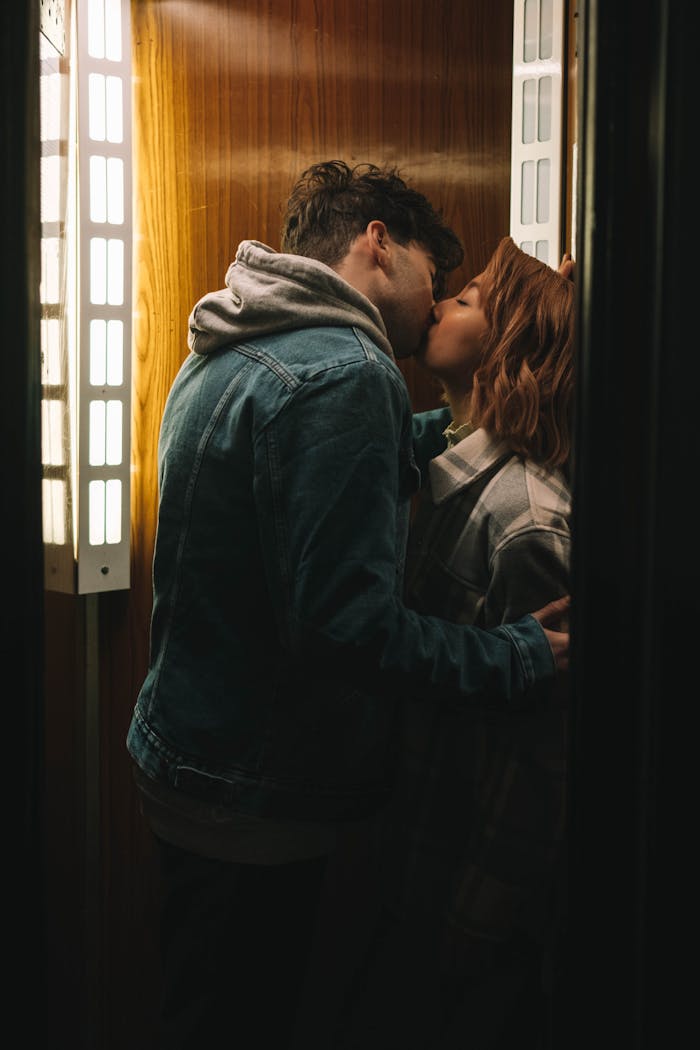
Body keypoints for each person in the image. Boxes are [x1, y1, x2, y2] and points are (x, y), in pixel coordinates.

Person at [125, 162, 570, 1049]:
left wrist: (463, 426)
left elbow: (306, 476)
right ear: (378, 243)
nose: (433, 307)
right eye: (435, 283)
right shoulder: (347, 374)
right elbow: (347, 630)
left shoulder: (238, 339)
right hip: (256, 801)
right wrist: (517, 656)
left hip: (190, 760)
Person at [337, 235, 575, 1050]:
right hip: (405, 859)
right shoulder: (437, 460)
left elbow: (540, 757)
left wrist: (478, 918)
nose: (437, 303)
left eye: (468, 300)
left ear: (507, 344)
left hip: (459, 897)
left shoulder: (526, 524)